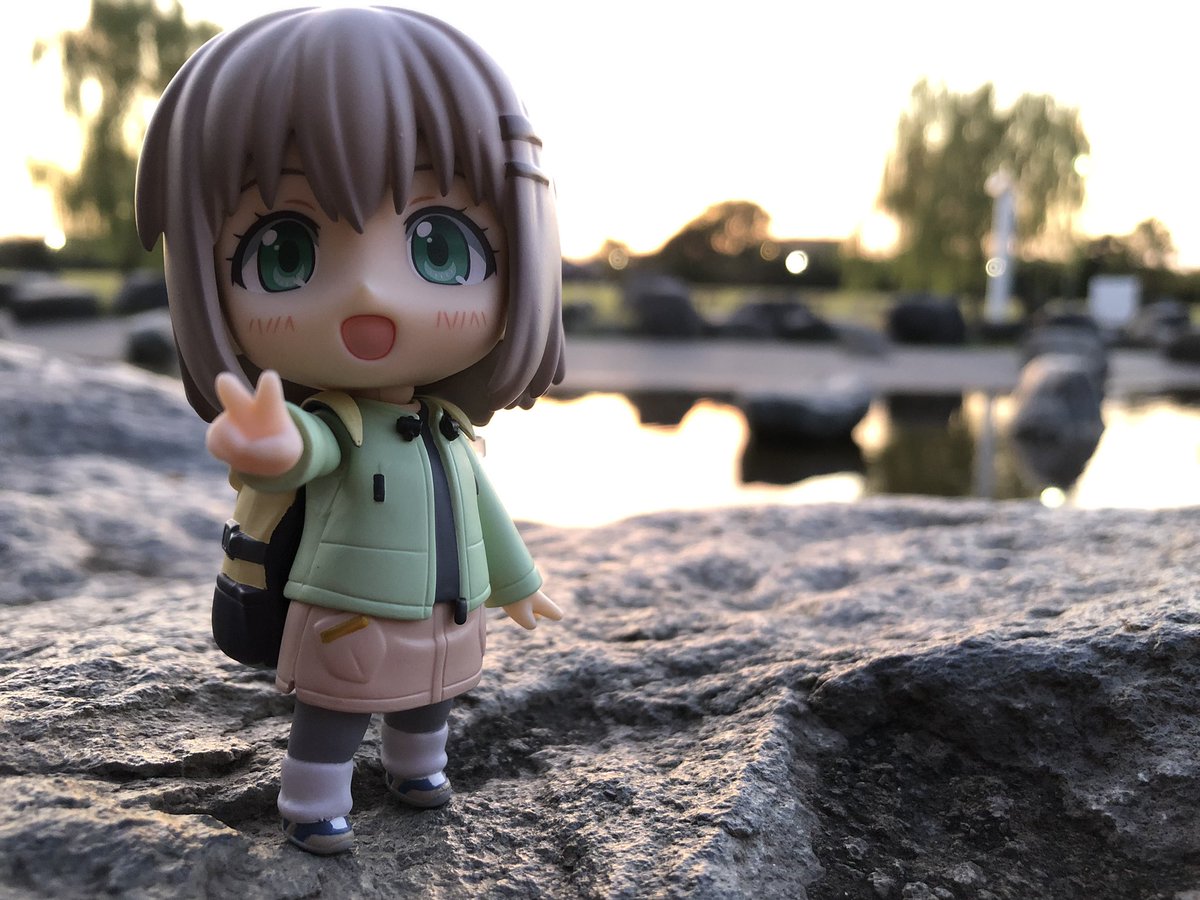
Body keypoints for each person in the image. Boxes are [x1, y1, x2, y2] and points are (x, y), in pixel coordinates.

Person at [135, 6, 565, 855]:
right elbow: (305, 450)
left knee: (432, 695)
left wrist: (518, 582)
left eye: (441, 247)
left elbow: (484, 511)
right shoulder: (338, 420)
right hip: (351, 613)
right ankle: (312, 799)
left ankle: (418, 768)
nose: (369, 294)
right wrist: (268, 446)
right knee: (334, 711)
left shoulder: (443, 428)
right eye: (283, 253)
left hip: (447, 606)